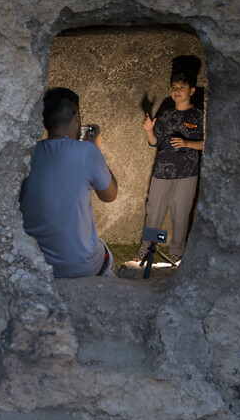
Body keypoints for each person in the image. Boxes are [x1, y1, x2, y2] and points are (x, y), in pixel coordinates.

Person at [20, 87, 118, 279]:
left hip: (34, 262)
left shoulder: (27, 152)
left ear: (44, 121)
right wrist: (96, 150)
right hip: (79, 266)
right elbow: (110, 195)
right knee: (104, 251)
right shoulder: (87, 152)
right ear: (77, 117)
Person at [133, 70, 205, 263]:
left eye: (182, 87)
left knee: (181, 212)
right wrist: (149, 130)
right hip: (163, 171)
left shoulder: (198, 115)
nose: (177, 91)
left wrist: (187, 143)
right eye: (174, 88)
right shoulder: (166, 114)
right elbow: (154, 142)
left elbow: (208, 143)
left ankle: (177, 251)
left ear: (192, 90)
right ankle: (147, 249)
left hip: (187, 173)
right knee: (155, 210)